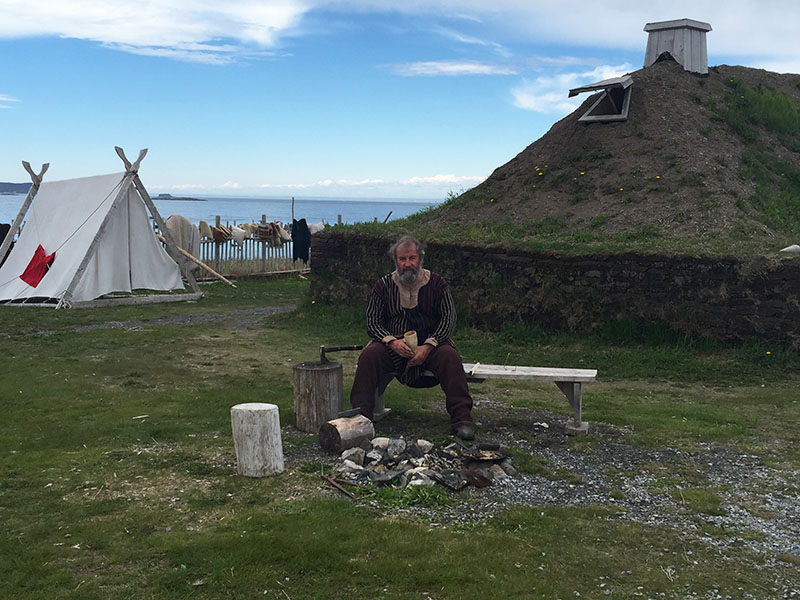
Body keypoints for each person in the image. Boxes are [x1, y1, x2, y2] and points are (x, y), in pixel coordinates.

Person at [349, 235, 475, 440]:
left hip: (431, 344)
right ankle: (360, 420)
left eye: (412, 258)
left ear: (420, 259)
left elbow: (449, 319)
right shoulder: (383, 286)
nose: (407, 264)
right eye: (402, 259)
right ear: (396, 261)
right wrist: (392, 342)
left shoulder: (437, 284)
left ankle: (462, 420)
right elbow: (372, 322)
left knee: (450, 358)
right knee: (370, 355)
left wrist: (429, 346)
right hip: (394, 345)